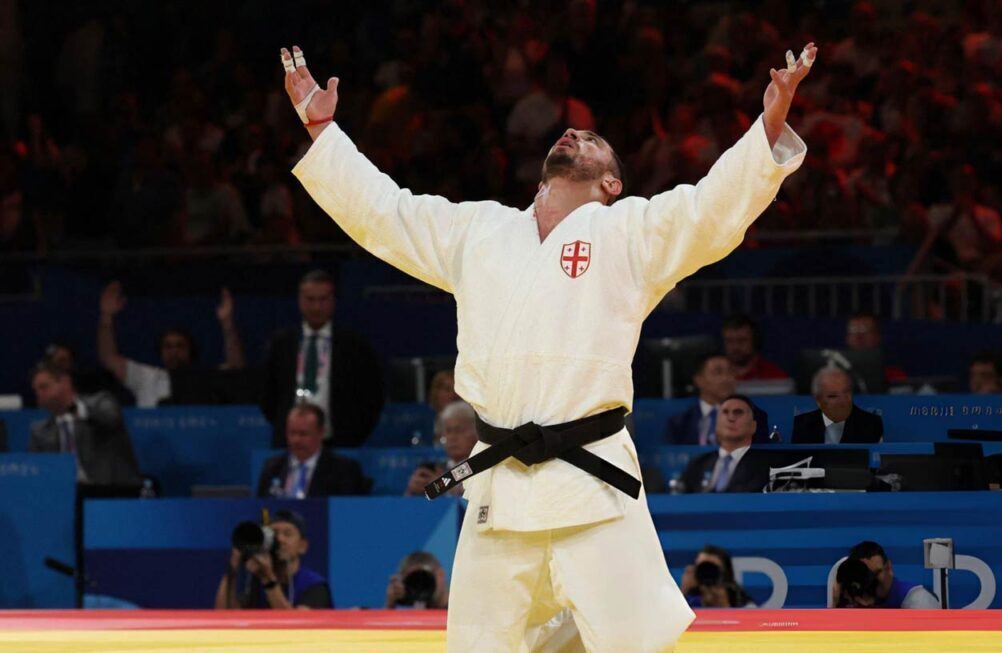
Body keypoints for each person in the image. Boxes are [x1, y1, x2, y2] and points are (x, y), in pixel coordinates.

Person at [281, 39, 813, 652]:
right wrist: (322, 131)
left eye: (591, 139)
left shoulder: (629, 233)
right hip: (500, 486)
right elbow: (386, 214)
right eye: (570, 133)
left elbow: (710, 209)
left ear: (611, 182)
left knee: (635, 645)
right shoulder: (480, 231)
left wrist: (768, 124)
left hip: (592, 481)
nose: (572, 133)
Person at [260, 269, 384, 448]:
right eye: (311, 299)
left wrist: (353, 436)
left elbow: (372, 396)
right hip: (290, 445)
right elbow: (268, 398)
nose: (317, 307)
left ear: (333, 301)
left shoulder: (354, 345)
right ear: (300, 300)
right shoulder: (281, 344)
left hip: (341, 442)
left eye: (323, 299)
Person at [97, 281, 245, 407]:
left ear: (190, 350)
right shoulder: (146, 377)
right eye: (167, 346)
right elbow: (109, 358)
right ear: (160, 351)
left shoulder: (206, 378)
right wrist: (106, 316)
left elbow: (236, 367)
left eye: (180, 346)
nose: (174, 351)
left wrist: (227, 324)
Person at [28, 361, 142, 486]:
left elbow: (111, 419)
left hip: (111, 490)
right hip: (66, 491)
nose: (39, 394)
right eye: (36, 390)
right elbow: (37, 469)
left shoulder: (101, 402)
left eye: (44, 387)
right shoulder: (41, 431)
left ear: (65, 382)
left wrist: (73, 408)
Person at [214, 509, 332, 610]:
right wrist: (232, 568)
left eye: (287, 534)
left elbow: (298, 626)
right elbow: (224, 616)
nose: (280, 539)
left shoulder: (315, 586)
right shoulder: (255, 580)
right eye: (274, 534)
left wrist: (268, 580)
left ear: (302, 546)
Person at [256, 403, 368, 498]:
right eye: (292, 433)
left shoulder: (344, 470)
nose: (296, 440)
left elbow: (351, 510)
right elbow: (261, 508)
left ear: (321, 433)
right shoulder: (273, 468)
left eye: (303, 434)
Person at [664, 353, 773, 445]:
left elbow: (759, 458)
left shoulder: (754, 417)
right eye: (718, 372)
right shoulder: (679, 423)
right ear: (699, 380)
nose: (726, 378)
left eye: (730, 372)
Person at [676, 395, 769, 494]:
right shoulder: (698, 464)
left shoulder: (766, 467)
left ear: (753, 426)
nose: (731, 418)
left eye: (738, 412)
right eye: (725, 412)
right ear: (716, 424)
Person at [832, 541, 939, 609]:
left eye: (875, 574)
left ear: (889, 568)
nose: (871, 581)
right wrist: (836, 601)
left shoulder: (918, 600)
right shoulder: (852, 601)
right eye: (865, 576)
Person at [405, 400, 479, 498]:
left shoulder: (482, 468)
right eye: (448, 431)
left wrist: (439, 486)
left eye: (459, 430)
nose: (452, 437)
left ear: (477, 433)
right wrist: (411, 491)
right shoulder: (438, 469)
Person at [792, 367, 884, 444]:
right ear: (818, 400)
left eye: (846, 393)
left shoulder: (872, 424)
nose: (842, 401)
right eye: (833, 396)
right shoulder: (799, 425)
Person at [680, 545, 756, 608]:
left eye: (712, 570)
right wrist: (683, 592)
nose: (707, 574)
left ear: (726, 574)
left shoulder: (742, 602)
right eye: (703, 568)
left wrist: (725, 606)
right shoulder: (688, 602)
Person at [844, 313, 907, 385]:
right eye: (853, 332)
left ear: (878, 336)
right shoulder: (836, 376)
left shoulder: (895, 375)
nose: (859, 337)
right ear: (847, 338)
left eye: (865, 331)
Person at [721, 314, 788, 382]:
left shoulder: (774, 376)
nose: (735, 346)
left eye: (742, 340)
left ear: (755, 341)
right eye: (729, 341)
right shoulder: (716, 375)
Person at [385, 550, 450, 609]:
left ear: (440, 575)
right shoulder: (416, 613)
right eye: (413, 582)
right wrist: (390, 605)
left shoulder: (456, 609)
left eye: (425, 579)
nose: (421, 586)